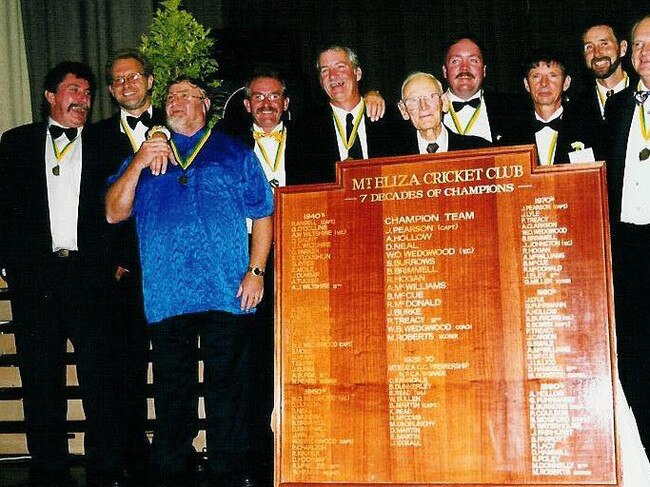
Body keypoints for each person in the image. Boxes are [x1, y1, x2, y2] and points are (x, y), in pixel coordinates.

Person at [106, 77, 274, 487]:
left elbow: (264, 213)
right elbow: (113, 212)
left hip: (226, 289)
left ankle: (228, 473)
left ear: (204, 104)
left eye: (185, 95)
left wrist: (256, 271)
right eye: (170, 97)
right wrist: (139, 160)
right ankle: (171, 472)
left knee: (228, 392)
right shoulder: (145, 154)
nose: (175, 102)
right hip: (167, 294)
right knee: (171, 392)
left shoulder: (234, 151)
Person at [0, 62, 121, 486]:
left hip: (90, 277)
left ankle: (105, 466)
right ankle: (48, 468)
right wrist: (10, 266)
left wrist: (117, 267)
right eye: (74, 90)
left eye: (88, 93)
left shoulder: (107, 144)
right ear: (50, 96)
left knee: (99, 377)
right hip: (36, 279)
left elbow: (125, 207)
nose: (83, 100)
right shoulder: (15, 143)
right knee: (39, 378)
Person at [86, 47, 162, 481]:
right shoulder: (95, 138)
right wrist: (113, 261)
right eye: (117, 80)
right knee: (125, 369)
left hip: (173, 269)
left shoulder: (179, 121)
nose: (126, 85)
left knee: (174, 367)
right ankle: (130, 455)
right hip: (124, 272)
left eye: (133, 77)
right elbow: (90, 206)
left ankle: (172, 451)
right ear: (111, 90)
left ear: (149, 81)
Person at [604, 14, 650, 452]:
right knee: (634, 357)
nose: (645, 53)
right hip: (629, 247)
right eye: (637, 45)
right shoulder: (618, 107)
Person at [301, 45, 399, 183]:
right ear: (320, 82)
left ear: (357, 73)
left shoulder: (388, 117)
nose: (332, 76)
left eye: (340, 67)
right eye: (324, 70)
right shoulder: (306, 129)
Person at [507, 51, 602, 165]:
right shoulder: (511, 136)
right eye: (536, 76)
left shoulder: (588, 129)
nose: (544, 83)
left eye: (553, 76)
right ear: (527, 84)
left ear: (566, 83)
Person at [442, 36, 522, 144]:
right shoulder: (426, 110)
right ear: (445, 71)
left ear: (484, 70)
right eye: (456, 61)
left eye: (473, 61)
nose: (464, 68)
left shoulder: (513, 110)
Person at [397, 72, 490, 154]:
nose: (423, 106)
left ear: (445, 102)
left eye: (431, 97)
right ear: (403, 110)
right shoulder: (391, 155)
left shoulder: (478, 149)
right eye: (413, 100)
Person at [579, 21, 634, 125]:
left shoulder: (642, 92)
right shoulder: (576, 105)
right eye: (589, 47)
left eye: (604, 44)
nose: (597, 53)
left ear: (622, 48)